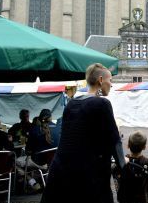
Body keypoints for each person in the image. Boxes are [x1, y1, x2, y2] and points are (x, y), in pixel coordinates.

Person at [41, 63, 125, 203]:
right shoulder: (102, 104)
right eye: (110, 80)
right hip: (88, 176)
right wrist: (124, 167)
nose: (111, 84)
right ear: (100, 80)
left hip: (61, 172)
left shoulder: (71, 104)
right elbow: (114, 140)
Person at [117, 130, 148, 203]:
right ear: (144, 147)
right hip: (142, 199)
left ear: (128, 145)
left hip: (124, 199)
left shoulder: (121, 162)